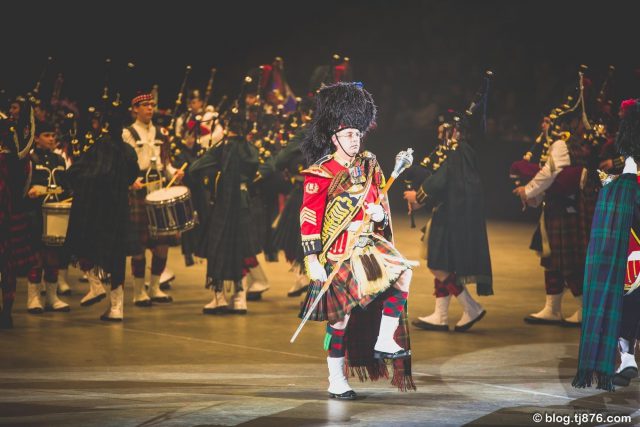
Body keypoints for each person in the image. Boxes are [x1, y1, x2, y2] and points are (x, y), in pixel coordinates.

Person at [298, 82, 416, 400]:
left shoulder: (370, 164)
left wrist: (379, 215)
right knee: (341, 322)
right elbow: (309, 217)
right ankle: (336, 379)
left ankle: (385, 338)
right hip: (338, 253)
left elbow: (379, 200)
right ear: (334, 135)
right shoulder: (320, 173)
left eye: (358, 133)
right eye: (349, 134)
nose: (356, 139)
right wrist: (312, 260)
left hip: (367, 247)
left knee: (404, 272)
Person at [573, 98, 640, 391]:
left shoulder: (621, 186)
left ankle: (626, 356)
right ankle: (626, 357)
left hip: (628, 218)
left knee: (617, 288)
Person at [405, 114, 492, 332]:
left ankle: (470, 306)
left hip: (450, 216)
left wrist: (419, 197)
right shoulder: (462, 151)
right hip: (449, 212)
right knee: (443, 263)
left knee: (437, 264)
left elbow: (440, 180)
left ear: (456, 131)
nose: (441, 133)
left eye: (447, 129)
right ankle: (440, 315)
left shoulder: (459, 151)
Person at [122, 92, 184, 307]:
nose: (150, 108)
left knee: (162, 244)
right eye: (145, 105)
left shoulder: (161, 133)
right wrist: (130, 180)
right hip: (138, 193)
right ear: (135, 109)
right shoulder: (127, 134)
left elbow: (165, 163)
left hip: (158, 193)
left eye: (151, 105)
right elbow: (123, 165)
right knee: (138, 246)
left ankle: (155, 287)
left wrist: (173, 172)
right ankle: (139, 292)